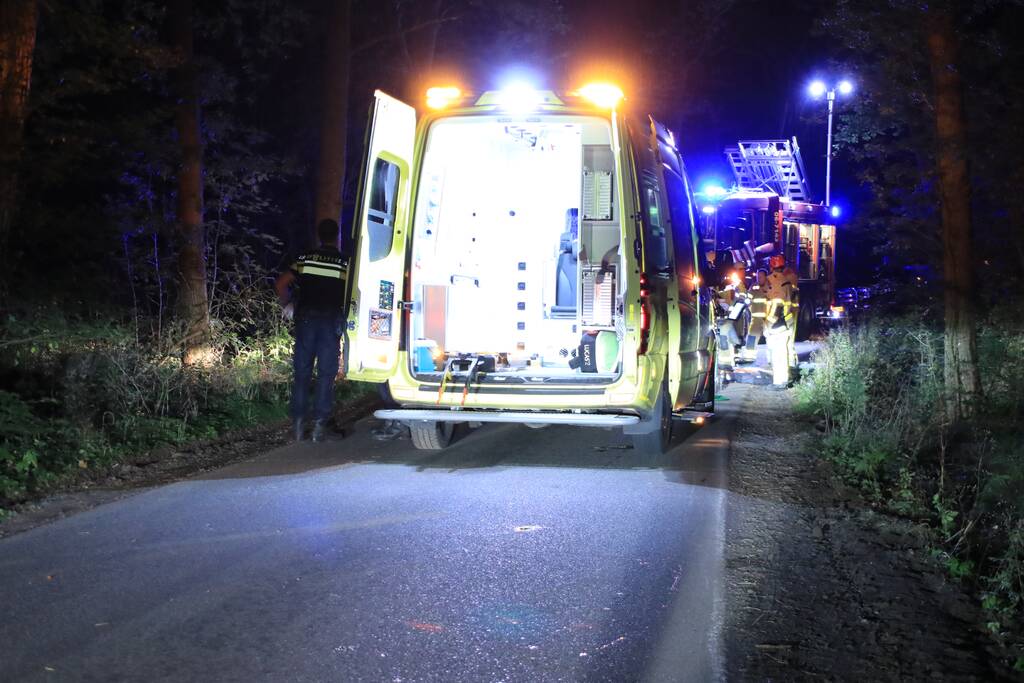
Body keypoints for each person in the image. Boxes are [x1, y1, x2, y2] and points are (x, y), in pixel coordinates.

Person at [275, 219, 349, 442]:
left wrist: (287, 304)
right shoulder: (344, 263)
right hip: (329, 323)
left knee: (302, 374)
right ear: (336, 237)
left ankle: (298, 427)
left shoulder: (305, 258)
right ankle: (319, 427)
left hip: (305, 321)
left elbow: (280, 284)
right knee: (326, 375)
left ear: (318, 235)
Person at [764, 254, 797, 387]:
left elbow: (777, 303)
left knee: (777, 355)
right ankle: (783, 380)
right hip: (785, 321)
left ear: (772, 266)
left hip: (777, 324)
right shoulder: (787, 280)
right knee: (782, 353)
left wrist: (769, 324)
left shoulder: (775, 281)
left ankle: (779, 383)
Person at [740, 268, 768, 363]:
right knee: (751, 336)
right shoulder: (753, 287)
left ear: (765, 277)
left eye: (760, 277)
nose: (758, 279)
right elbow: (748, 299)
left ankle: (772, 360)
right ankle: (749, 357)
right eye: (757, 277)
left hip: (768, 319)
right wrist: (747, 301)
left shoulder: (771, 286)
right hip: (756, 319)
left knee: (772, 340)